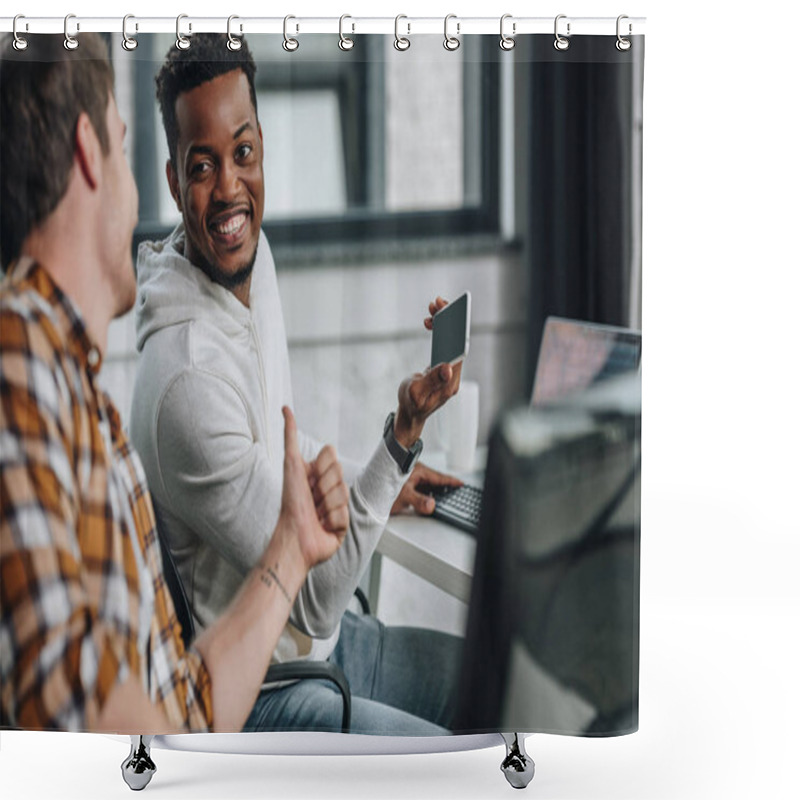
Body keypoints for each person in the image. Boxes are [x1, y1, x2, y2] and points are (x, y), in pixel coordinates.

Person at [0, 33, 348, 734]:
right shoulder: (18, 357)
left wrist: (290, 545)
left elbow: (181, 704)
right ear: (88, 155)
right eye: (124, 143)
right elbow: (76, 711)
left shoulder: (77, 392)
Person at [130, 34, 464, 735]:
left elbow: (272, 450)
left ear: (263, 152)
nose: (228, 188)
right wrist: (398, 439)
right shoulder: (185, 378)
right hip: (267, 691)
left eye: (242, 153)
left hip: (323, 651)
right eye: (201, 165)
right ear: (170, 181)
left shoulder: (251, 257)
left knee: (495, 680)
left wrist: (368, 475)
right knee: (455, 763)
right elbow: (314, 598)